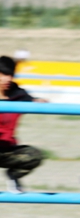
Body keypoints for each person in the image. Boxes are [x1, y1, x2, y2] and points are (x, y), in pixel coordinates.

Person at [0, 55, 48, 193]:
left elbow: (32, 101)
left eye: (10, 74)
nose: (7, 79)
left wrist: (39, 102)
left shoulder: (18, 94)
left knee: (35, 155)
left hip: (8, 149)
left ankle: (13, 176)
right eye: (3, 74)